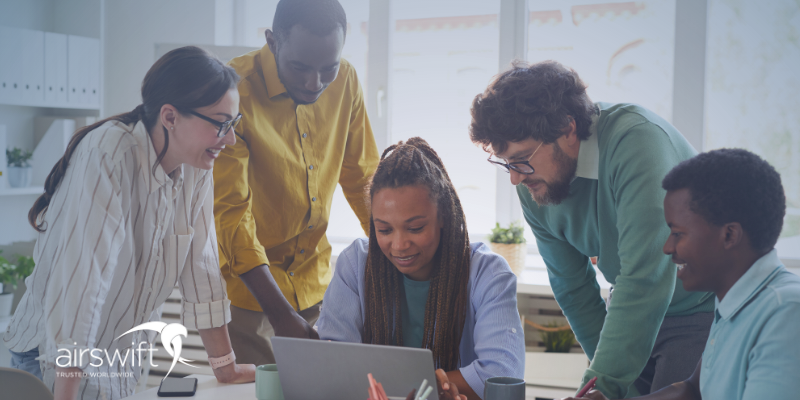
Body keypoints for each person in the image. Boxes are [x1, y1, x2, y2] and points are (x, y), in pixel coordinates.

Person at [3, 46, 255, 399]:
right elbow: (83, 282)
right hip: (53, 361)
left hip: (117, 364)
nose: (229, 138)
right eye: (220, 123)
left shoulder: (196, 166)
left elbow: (203, 269)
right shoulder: (109, 154)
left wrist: (225, 368)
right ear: (170, 116)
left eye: (234, 123)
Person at [469, 60, 715, 398]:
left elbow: (645, 276)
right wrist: (599, 386)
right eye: (507, 163)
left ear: (568, 130)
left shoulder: (637, 142)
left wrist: (604, 386)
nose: (515, 177)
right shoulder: (531, 183)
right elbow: (572, 288)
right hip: (630, 309)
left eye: (523, 159)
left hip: (697, 308)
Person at [213, 0, 379, 366]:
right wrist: (279, 313)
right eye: (300, 67)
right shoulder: (232, 90)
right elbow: (231, 215)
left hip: (319, 286)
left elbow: (363, 178)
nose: (313, 83)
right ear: (272, 41)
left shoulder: (347, 81)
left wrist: (395, 252)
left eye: (327, 68)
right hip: (252, 296)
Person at [565, 149, 799, 400]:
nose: (667, 248)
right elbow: (692, 390)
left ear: (729, 235)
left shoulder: (786, 313)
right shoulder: (735, 300)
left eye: (678, 233)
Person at [316, 138, 525, 400]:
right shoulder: (356, 265)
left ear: (444, 218)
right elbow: (331, 365)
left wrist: (415, 389)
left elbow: (502, 377)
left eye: (415, 228)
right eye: (384, 229)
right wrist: (432, 387)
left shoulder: (488, 274)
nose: (399, 244)